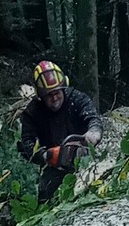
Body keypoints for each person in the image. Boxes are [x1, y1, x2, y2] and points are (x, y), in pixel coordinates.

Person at [18, 59, 102, 204]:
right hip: (53, 166)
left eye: (57, 93)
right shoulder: (32, 113)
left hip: (83, 158)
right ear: (41, 96)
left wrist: (93, 133)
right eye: (49, 95)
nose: (55, 98)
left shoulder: (76, 99)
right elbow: (27, 141)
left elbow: (92, 118)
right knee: (45, 195)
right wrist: (45, 155)